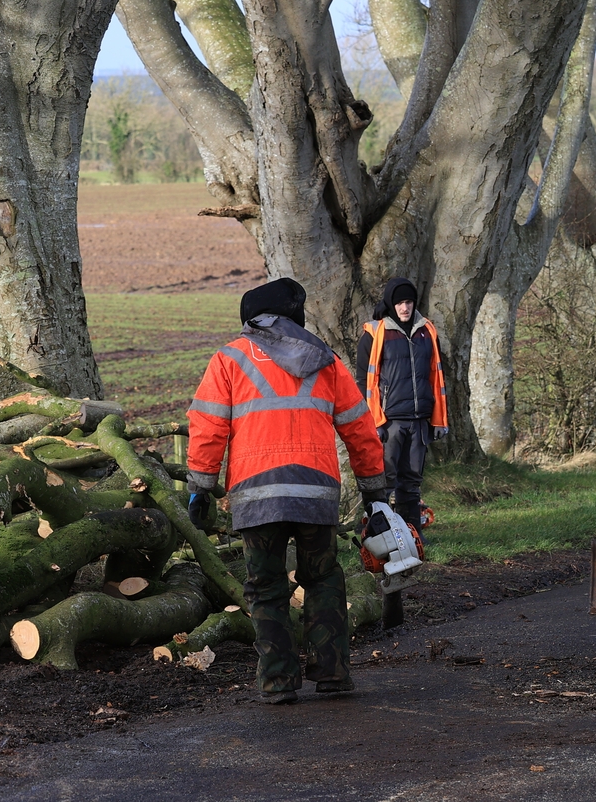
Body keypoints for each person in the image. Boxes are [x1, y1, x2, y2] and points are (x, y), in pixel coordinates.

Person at [186, 278, 389, 704]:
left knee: (266, 587)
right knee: (324, 580)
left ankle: (278, 682)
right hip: (315, 493)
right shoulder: (326, 360)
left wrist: (201, 487)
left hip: (257, 495)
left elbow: (207, 425)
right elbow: (360, 428)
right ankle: (332, 675)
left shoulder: (228, 359)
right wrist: (374, 490)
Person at [355, 278, 448, 532]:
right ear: (390, 304)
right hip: (389, 421)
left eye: (408, 302)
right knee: (384, 481)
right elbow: (364, 381)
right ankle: (381, 536)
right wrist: (374, 422)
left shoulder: (427, 332)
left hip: (420, 420)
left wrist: (439, 420)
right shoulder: (374, 334)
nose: (404, 307)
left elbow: (437, 376)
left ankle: (412, 536)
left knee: (411, 482)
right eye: (399, 303)